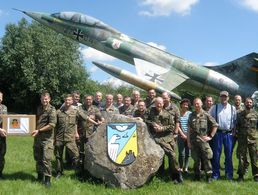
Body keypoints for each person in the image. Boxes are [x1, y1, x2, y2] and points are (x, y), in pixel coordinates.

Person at [146, 97, 183, 183]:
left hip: (168, 138)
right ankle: (176, 175)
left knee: (173, 157)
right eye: (157, 103)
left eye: (160, 103)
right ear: (155, 104)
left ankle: (175, 175)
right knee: (171, 155)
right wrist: (153, 124)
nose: (158, 105)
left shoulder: (168, 114)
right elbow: (145, 119)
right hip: (157, 138)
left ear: (163, 104)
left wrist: (162, 128)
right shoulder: (151, 111)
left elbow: (172, 126)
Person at [188, 98, 218, 182]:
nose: (196, 105)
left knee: (207, 158)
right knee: (196, 159)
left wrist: (210, 136)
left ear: (201, 104)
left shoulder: (206, 114)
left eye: (198, 103)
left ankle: (208, 176)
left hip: (203, 141)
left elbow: (215, 125)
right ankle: (197, 176)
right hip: (194, 141)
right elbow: (189, 129)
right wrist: (188, 142)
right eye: (195, 104)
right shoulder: (191, 115)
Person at [209, 91, 237, 180]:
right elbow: (210, 119)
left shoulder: (233, 108)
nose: (224, 98)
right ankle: (215, 175)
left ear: (228, 98)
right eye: (222, 96)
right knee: (216, 155)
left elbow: (235, 122)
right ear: (220, 97)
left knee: (229, 155)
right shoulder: (215, 107)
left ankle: (229, 175)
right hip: (218, 134)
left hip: (229, 134)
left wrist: (234, 133)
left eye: (225, 97)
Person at [31, 91, 56, 187]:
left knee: (46, 160)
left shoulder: (52, 110)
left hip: (47, 139)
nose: (44, 100)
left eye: (46, 99)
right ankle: (40, 176)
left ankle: (48, 179)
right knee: (38, 158)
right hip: (37, 138)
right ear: (41, 99)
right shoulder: (39, 108)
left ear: (49, 99)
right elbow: (35, 121)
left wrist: (39, 130)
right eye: (42, 99)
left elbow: (52, 125)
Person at [55, 94, 80, 179]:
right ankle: (59, 172)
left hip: (70, 138)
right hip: (59, 138)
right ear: (64, 101)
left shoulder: (76, 111)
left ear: (72, 101)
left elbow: (78, 122)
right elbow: (55, 126)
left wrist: (76, 133)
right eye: (66, 100)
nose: (67, 101)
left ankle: (77, 173)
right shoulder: (58, 112)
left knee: (75, 155)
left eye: (69, 100)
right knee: (58, 156)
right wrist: (54, 138)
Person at [77, 95, 103, 176]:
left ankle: (90, 170)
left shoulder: (95, 108)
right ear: (84, 100)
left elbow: (100, 116)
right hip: (81, 133)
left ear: (92, 100)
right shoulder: (80, 108)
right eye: (87, 99)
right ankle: (81, 170)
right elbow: (83, 116)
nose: (88, 101)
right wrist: (94, 121)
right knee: (80, 152)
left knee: (91, 151)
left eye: (90, 99)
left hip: (91, 134)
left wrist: (101, 120)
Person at [236, 97, 258, 182]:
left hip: (253, 140)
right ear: (244, 103)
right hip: (242, 140)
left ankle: (256, 175)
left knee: (254, 158)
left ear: (252, 104)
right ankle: (241, 175)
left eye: (250, 102)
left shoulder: (256, 114)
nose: (249, 104)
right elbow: (237, 126)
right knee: (242, 158)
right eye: (247, 102)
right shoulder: (239, 114)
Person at [177, 98, 191, 173]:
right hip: (181, 136)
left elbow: (191, 125)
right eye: (184, 104)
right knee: (181, 153)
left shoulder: (190, 114)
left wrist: (187, 136)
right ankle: (181, 167)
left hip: (189, 136)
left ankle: (186, 168)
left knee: (188, 153)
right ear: (181, 105)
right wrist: (182, 134)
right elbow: (177, 125)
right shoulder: (178, 113)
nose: (185, 106)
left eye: (187, 105)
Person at [0, 91, 7, 179]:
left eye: (0, 97)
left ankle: (0, 173)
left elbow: (7, 120)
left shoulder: (4, 107)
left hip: (2, 136)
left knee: (1, 155)